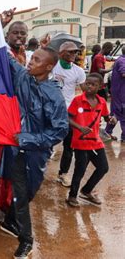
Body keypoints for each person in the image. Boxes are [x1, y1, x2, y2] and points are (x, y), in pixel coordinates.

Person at [0, 47, 69, 259]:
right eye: (32, 57)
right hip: (15, 148)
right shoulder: (23, 76)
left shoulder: (54, 95)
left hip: (36, 153)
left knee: (28, 192)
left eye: (37, 60)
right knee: (21, 194)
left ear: (48, 67)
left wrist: (28, 139)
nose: (30, 62)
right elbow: (6, 56)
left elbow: (60, 130)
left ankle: (11, 220)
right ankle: (26, 240)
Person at [65, 73, 115, 207]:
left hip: (95, 142)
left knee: (103, 167)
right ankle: (72, 196)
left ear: (100, 87)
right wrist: (79, 127)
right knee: (79, 170)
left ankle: (86, 191)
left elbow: (106, 116)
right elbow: (68, 118)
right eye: (87, 83)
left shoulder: (102, 102)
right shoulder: (77, 100)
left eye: (93, 85)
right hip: (80, 142)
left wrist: (111, 119)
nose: (89, 86)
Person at [53, 41, 86, 188]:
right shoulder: (52, 66)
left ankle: (63, 174)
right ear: (61, 53)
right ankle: (36, 168)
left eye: (75, 52)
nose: (74, 54)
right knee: (46, 142)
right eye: (70, 52)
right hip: (51, 111)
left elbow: (84, 92)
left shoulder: (78, 71)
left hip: (69, 113)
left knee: (68, 146)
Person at [105, 46, 125, 141]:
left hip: (119, 92)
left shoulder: (121, 59)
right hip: (120, 92)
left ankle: (107, 132)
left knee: (116, 112)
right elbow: (123, 73)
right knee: (120, 112)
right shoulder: (122, 61)